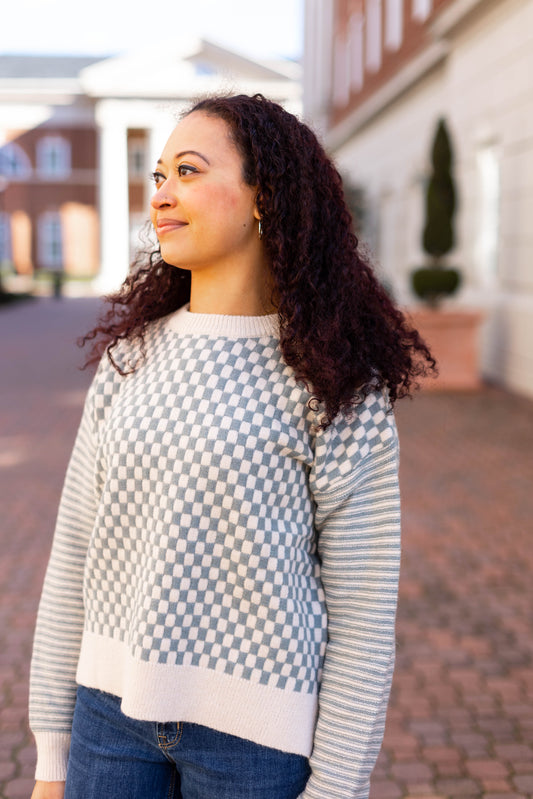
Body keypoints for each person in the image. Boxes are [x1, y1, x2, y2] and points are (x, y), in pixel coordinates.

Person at [29, 93, 435, 799]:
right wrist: (51, 750)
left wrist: (336, 787)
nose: (161, 195)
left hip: (255, 746)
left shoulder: (334, 382)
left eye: (186, 171)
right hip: (106, 720)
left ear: (263, 196)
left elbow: (363, 616)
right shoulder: (131, 359)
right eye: (157, 177)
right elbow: (74, 556)